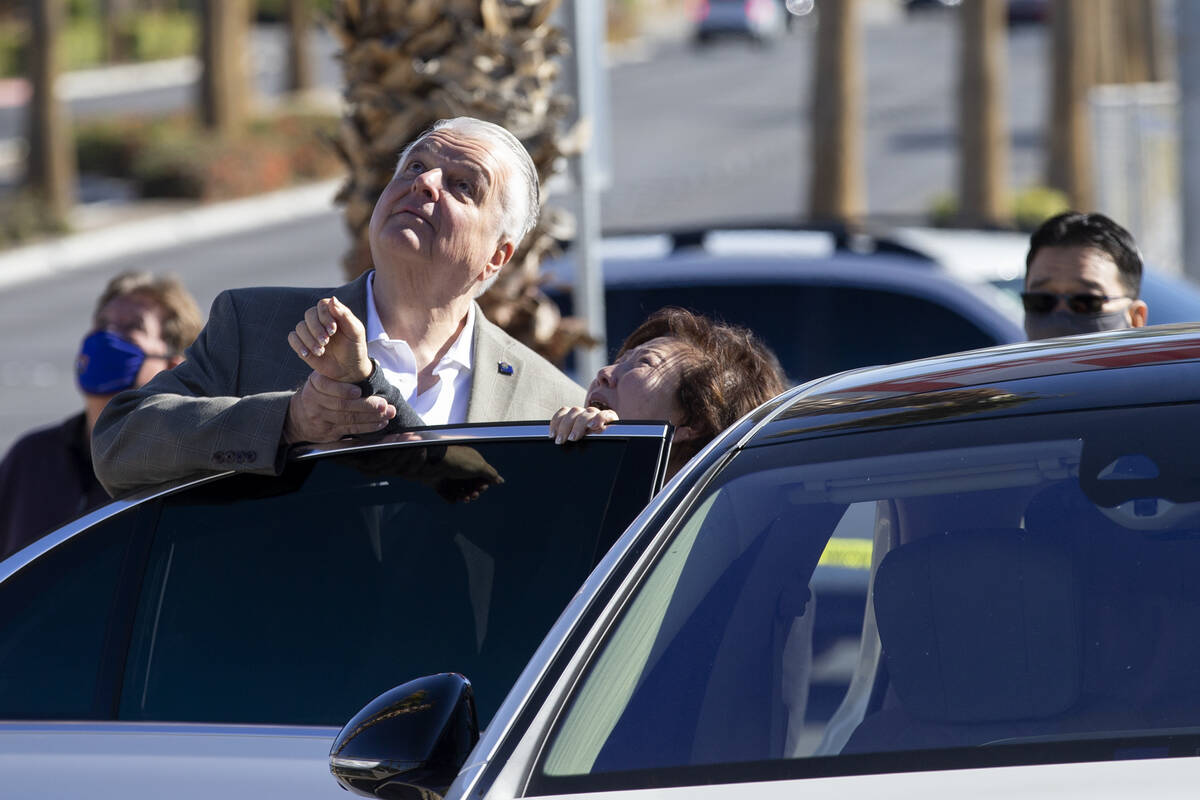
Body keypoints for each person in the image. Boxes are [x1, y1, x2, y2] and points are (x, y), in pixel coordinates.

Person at [93, 116, 583, 497]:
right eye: (415, 166)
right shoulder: (254, 326)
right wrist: (289, 423)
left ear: (496, 258)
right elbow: (119, 445)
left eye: (462, 185)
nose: (426, 182)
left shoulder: (548, 400)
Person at [0, 271, 202, 559]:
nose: (108, 336)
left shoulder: (181, 472)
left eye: (132, 327)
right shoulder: (30, 458)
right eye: (103, 324)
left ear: (172, 366)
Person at [549, 307, 787, 480]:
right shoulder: (570, 471)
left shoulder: (712, 524)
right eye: (619, 360)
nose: (605, 372)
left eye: (643, 363)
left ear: (694, 422)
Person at [1022, 211, 1148, 340]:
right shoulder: (1004, 358)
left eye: (1086, 302)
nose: (1061, 317)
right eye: (1041, 301)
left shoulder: (1168, 360)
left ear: (1136, 318)